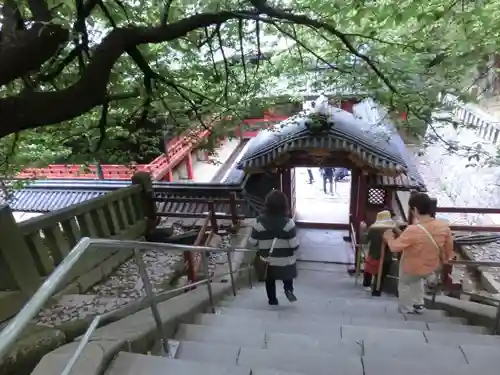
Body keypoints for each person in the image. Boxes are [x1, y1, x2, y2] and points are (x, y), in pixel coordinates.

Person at [383, 193, 454, 314]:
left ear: (415, 209)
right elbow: (449, 249)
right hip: (431, 266)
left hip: (412, 267)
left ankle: (406, 308)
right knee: (418, 280)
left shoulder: (413, 229)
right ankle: (418, 303)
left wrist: (388, 238)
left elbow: (395, 247)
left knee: (405, 283)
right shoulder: (444, 227)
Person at [247, 190, 299, 305]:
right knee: (287, 273)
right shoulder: (289, 223)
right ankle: (288, 289)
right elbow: (294, 245)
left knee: (269, 279)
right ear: (284, 205)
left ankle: (272, 300)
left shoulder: (258, 222)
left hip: (267, 260)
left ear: (267, 204)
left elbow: (253, 242)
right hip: (285, 261)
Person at [360, 210, 396, 296]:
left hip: (374, 253)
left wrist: (362, 230)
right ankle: (377, 288)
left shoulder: (372, 229)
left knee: (369, 268)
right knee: (382, 273)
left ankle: (367, 284)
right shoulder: (392, 230)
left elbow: (364, 241)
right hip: (386, 256)